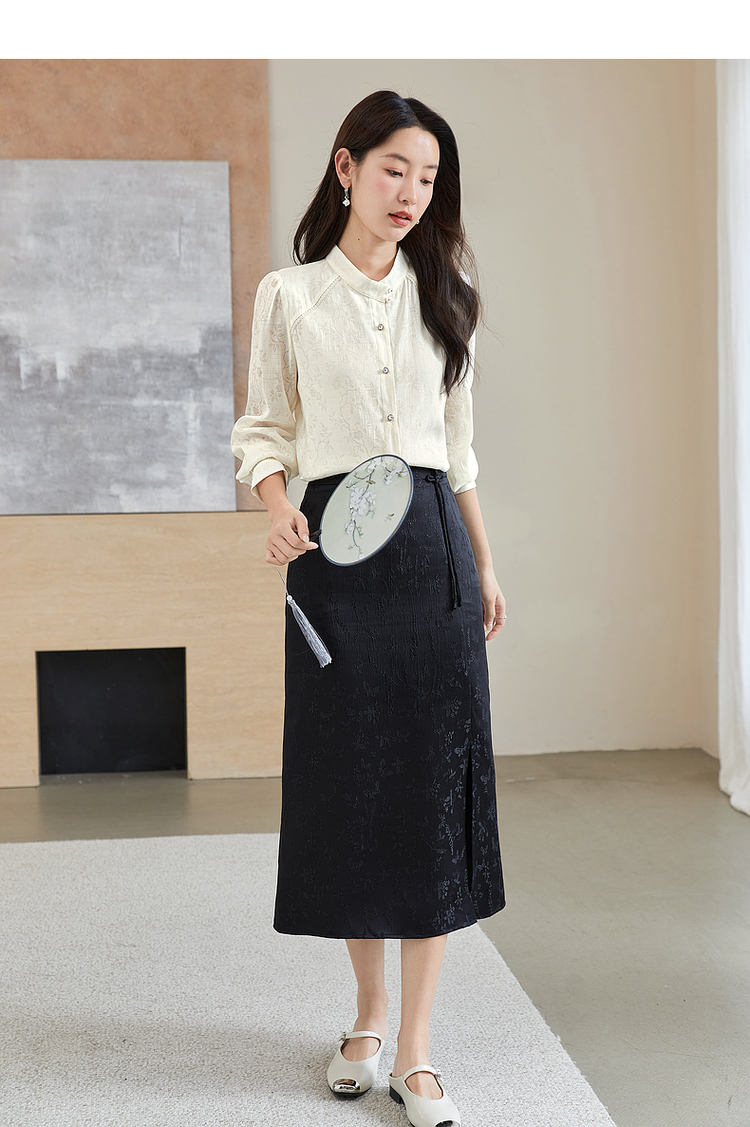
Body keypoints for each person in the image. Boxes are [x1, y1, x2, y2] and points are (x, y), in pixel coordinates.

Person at [231, 89, 506, 1127]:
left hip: (434, 548)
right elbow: (264, 430)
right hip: (337, 552)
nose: (412, 193)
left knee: (433, 790)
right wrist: (276, 509)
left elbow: (461, 451)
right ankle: (367, 1014)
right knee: (354, 785)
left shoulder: (449, 294)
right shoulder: (291, 296)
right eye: (396, 168)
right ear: (346, 168)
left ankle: (419, 1049)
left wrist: (485, 564)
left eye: (428, 177)